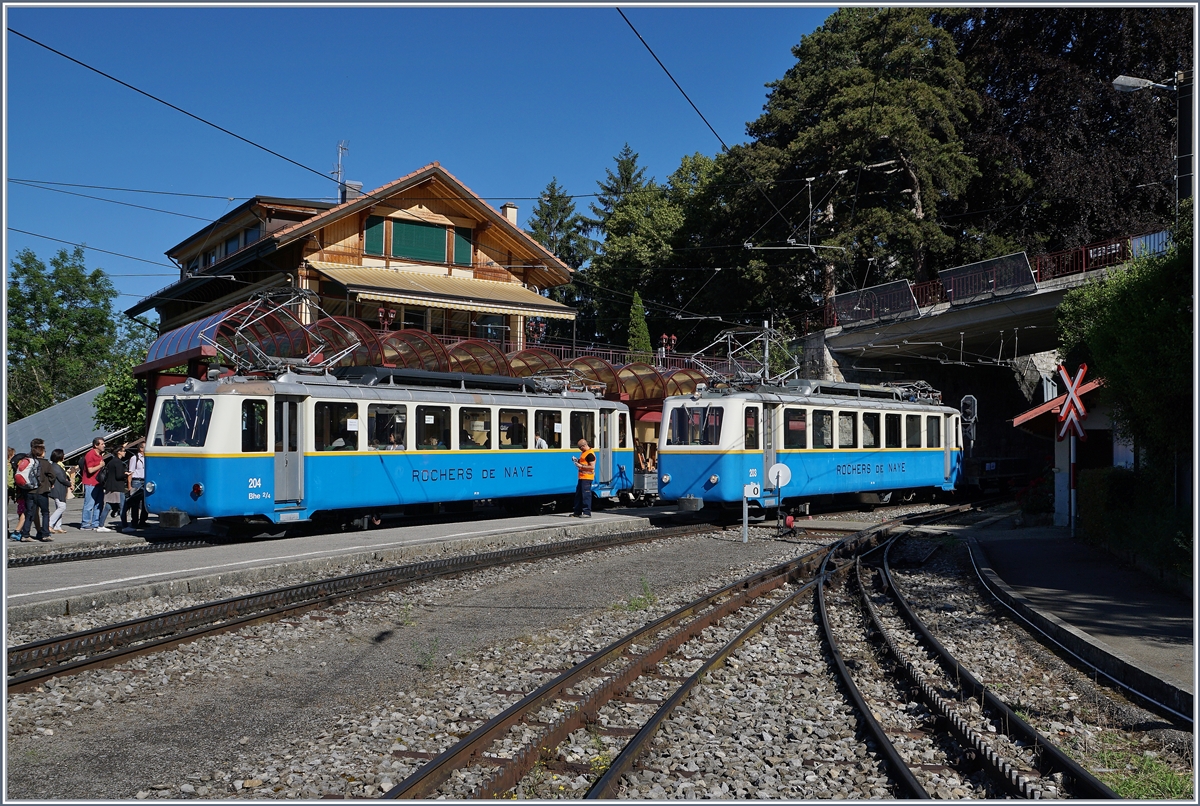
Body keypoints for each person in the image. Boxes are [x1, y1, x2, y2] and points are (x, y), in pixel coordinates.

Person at [19, 440, 55, 542]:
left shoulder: (29, 462)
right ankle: (45, 534)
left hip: (29, 491)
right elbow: (53, 476)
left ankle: (25, 535)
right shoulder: (45, 463)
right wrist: (50, 483)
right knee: (45, 512)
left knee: (29, 513)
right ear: (42, 452)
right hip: (41, 491)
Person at [80, 437, 107, 531]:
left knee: (99, 504)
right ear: (96, 445)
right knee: (89, 504)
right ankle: (85, 523)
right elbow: (90, 470)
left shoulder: (99, 455)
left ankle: (96, 522)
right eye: (102, 444)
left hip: (99, 483)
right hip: (90, 482)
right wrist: (100, 465)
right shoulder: (90, 454)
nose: (104, 445)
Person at [100, 444, 128, 531]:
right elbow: (119, 476)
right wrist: (126, 474)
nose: (125, 452)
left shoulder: (111, 462)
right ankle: (125, 526)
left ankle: (100, 525)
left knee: (108, 506)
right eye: (123, 451)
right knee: (123, 507)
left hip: (110, 487)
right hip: (117, 488)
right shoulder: (118, 462)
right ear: (119, 452)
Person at [122, 440, 148, 531]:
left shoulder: (148, 458)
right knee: (135, 503)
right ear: (141, 448)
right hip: (136, 481)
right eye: (145, 447)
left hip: (145, 481)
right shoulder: (134, 458)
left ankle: (143, 521)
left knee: (145, 502)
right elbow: (130, 472)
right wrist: (129, 486)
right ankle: (134, 522)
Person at [571, 438, 596, 518]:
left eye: (580, 447)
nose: (580, 449)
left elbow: (592, 467)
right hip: (582, 477)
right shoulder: (584, 453)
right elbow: (583, 462)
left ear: (584, 445)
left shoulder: (590, 454)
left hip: (587, 477)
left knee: (586, 495)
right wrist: (577, 460)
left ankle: (587, 512)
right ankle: (577, 512)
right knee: (579, 495)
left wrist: (581, 466)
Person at [48, 448, 71, 534]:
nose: (64, 456)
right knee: (62, 507)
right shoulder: (56, 467)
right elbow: (61, 479)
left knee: (59, 507)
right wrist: (69, 483)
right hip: (58, 489)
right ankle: (49, 524)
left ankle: (58, 526)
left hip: (60, 489)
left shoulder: (56, 465)